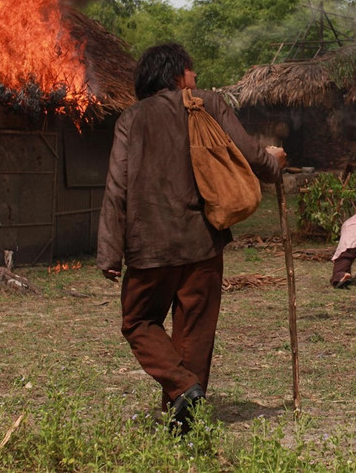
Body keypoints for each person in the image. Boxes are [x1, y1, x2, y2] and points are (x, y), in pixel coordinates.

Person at [97, 43, 286, 433]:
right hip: (202, 242)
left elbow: (117, 188)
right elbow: (249, 154)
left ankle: (183, 405)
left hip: (149, 249)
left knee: (138, 322)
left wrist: (109, 253)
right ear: (175, 74)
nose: (196, 78)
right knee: (195, 331)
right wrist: (275, 164)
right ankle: (187, 400)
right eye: (191, 70)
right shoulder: (206, 104)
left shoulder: (131, 120)